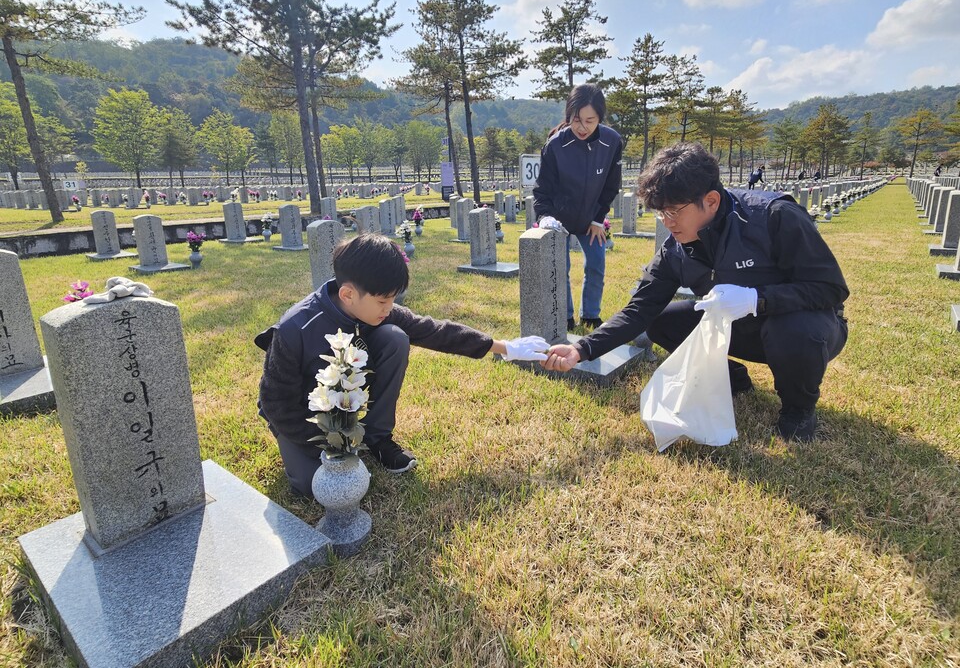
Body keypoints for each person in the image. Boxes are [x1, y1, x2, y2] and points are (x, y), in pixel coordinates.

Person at [541, 142, 849, 442]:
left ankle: (798, 409)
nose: (667, 222)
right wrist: (583, 349)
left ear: (711, 201)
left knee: (793, 330)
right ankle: (731, 378)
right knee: (660, 321)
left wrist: (758, 299)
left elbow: (829, 288)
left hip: (805, 326)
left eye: (674, 211)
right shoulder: (676, 248)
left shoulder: (773, 216)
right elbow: (640, 308)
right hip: (736, 327)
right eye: (661, 213)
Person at [256, 234, 549, 495]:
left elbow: (434, 331)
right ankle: (328, 449)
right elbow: (275, 402)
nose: (389, 308)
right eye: (384, 301)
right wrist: (328, 445)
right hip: (300, 417)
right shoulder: (296, 328)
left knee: (395, 338)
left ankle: (378, 439)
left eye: (393, 300)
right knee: (316, 486)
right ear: (348, 294)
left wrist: (503, 347)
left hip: (342, 402)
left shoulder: (376, 311)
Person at [534, 83, 623, 331]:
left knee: (596, 265)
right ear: (568, 115)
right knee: (559, 269)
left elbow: (610, 186)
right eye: (576, 120)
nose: (582, 127)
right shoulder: (554, 145)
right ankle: (564, 316)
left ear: (600, 119)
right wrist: (546, 218)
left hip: (590, 218)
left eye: (590, 121)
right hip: (558, 219)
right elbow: (542, 191)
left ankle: (591, 315)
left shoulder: (612, 142)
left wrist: (597, 220)